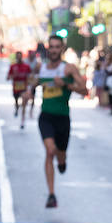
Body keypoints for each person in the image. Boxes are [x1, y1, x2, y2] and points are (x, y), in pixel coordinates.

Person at [36, 34, 86, 208]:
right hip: (46, 117)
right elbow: (33, 82)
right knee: (50, 151)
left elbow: (84, 90)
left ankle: (62, 161)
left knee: (60, 153)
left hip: (63, 118)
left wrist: (66, 85)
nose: (54, 50)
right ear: (48, 49)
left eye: (57, 47)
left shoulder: (69, 69)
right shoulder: (42, 68)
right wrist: (28, 90)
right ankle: (51, 194)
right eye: (52, 47)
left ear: (62, 49)